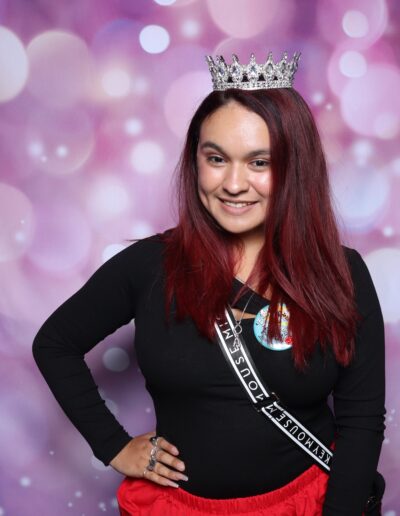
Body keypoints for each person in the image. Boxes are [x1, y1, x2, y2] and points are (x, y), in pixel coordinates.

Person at [32, 51, 385, 515]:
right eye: (216, 158)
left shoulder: (342, 272)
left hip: (303, 503)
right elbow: (54, 343)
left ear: (294, 168)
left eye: (259, 163)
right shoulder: (149, 265)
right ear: (195, 160)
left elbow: (361, 422)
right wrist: (113, 445)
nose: (234, 184)